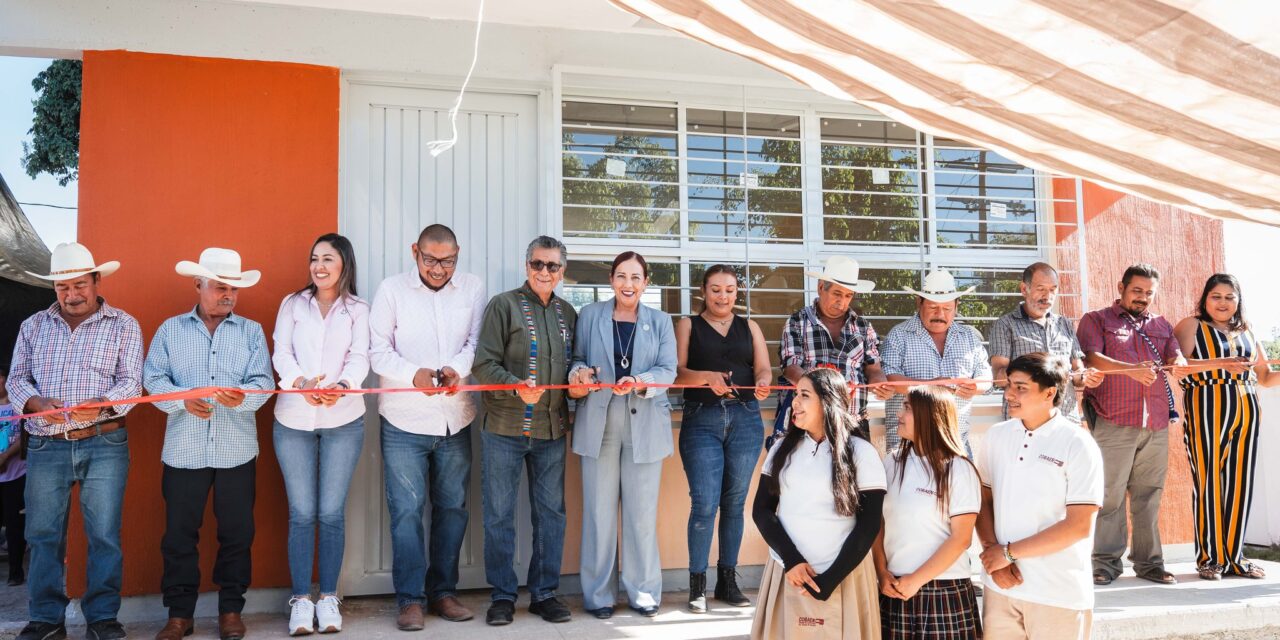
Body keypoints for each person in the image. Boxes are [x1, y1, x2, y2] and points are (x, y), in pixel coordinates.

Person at [7, 242, 143, 640]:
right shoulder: (32, 326)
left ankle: (102, 619)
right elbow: (16, 379)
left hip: (105, 442)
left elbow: (132, 382)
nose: (72, 294)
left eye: (79, 284)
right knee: (42, 535)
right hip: (47, 445)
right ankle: (47, 621)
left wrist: (101, 405)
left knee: (104, 535)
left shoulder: (123, 324)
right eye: (62, 287)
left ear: (96, 281)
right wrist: (35, 402)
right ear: (54, 289)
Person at [144, 247, 273, 640]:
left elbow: (263, 382)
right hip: (184, 449)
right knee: (179, 536)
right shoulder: (170, 329)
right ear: (198, 284)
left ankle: (231, 611)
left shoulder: (251, 331)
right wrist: (181, 399)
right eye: (220, 287)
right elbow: (153, 379)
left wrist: (244, 398)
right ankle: (179, 616)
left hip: (236, 448)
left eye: (233, 288)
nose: (228, 294)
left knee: (238, 533)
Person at [368, 224, 485, 630]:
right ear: (414, 251)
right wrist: (411, 374)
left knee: (452, 511)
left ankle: (443, 593)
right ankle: (410, 600)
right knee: (406, 513)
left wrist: (458, 368)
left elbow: (475, 342)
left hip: (456, 416)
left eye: (448, 261)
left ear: (458, 255)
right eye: (431, 259)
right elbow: (378, 351)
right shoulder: (391, 290)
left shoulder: (472, 288)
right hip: (403, 420)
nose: (439, 269)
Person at [472, 236, 578, 626]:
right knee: (498, 514)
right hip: (503, 427)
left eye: (552, 266)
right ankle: (501, 596)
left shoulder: (569, 313)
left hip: (552, 430)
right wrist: (515, 384)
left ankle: (544, 593)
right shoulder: (503, 305)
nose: (544, 272)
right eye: (537, 264)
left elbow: (575, 366)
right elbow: (482, 365)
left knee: (551, 515)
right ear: (526, 266)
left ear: (563, 271)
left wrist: (581, 377)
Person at [568, 251, 677, 619]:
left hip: (644, 423)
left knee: (641, 514)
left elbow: (668, 369)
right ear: (611, 280)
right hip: (599, 422)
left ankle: (643, 592)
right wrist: (581, 374)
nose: (627, 284)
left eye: (635, 277)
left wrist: (639, 382)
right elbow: (577, 360)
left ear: (646, 282)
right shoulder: (590, 315)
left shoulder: (661, 322)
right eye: (620, 276)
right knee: (598, 514)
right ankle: (599, 596)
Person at [271, 234, 370, 635]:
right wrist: (300, 383)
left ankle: (328, 597)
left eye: (328, 259)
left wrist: (343, 386)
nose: (319, 266)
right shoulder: (292, 304)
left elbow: (360, 355)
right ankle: (300, 600)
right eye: (314, 259)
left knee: (330, 513)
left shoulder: (359, 309)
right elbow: (281, 352)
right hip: (293, 418)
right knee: (301, 513)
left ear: (344, 263)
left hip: (343, 419)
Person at [750, 368, 886, 639]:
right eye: (794, 395)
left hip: (845, 577)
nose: (794, 403)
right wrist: (792, 561)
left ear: (827, 401)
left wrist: (830, 580)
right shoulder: (781, 449)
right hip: (788, 574)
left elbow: (869, 524)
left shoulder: (861, 452)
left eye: (803, 395)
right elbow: (762, 511)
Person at [977, 353, 1104, 640]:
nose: (1009, 393)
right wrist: (993, 557)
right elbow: (983, 501)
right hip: (1001, 588)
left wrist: (1008, 553)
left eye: (1021, 387)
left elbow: (1079, 526)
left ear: (1050, 393)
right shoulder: (996, 435)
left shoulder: (1078, 443)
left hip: (1058, 593)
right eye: (1008, 384)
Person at [1078, 263, 1189, 587]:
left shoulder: (1161, 324)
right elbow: (1092, 357)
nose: (1142, 297)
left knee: (1149, 496)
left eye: (1149, 293)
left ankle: (1149, 564)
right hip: (1114, 421)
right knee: (1109, 496)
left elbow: (1174, 356)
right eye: (1137, 290)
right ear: (1121, 287)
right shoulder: (1097, 319)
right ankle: (1106, 565)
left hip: (1155, 424)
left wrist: (1179, 362)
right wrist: (1130, 369)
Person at [674, 265, 772, 613]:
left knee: (734, 502)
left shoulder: (751, 326)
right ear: (704, 291)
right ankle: (697, 584)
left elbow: (763, 368)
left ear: (737, 292)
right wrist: (705, 378)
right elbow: (676, 374)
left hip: (746, 418)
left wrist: (761, 383)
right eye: (716, 289)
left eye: (729, 289)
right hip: (702, 420)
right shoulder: (688, 325)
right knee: (704, 504)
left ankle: (727, 581)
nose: (723, 296)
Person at [1174, 273, 1280, 580]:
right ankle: (1210, 558)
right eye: (1216, 296)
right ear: (1205, 299)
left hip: (1246, 408)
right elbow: (1177, 366)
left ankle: (1235, 557)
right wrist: (1221, 364)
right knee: (1209, 480)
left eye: (1229, 297)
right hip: (1206, 404)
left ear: (1238, 301)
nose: (1223, 303)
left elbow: (1265, 377)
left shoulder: (1247, 330)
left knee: (1240, 482)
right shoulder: (1191, 325)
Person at [874, 385, 981, 640]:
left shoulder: (958, 468)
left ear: (930, 415)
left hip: (943, 590)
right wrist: (881, 572)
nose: (899, 413)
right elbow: (877, 524)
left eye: (907, 408)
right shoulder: (891, 462)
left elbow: (961, 539)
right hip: (894, 588)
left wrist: (916, 580)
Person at [776, 256, 894, 443]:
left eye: (848, 296)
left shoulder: (863, 327)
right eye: (837, 294)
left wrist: (881, 384)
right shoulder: (797, 322)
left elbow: (874, 369)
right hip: (807, 421)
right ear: (821, 287)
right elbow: (791, 368)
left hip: (853, 421)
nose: (842, 302)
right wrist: (823, 390)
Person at [881, 269, 992, 453]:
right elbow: (891, 381)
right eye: (933, 307)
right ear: (919, 302)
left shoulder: (969, 338)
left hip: (955, 442)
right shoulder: (899, 336)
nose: (940, 314)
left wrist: (975, 386)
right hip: (907, 445)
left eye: (947, 308)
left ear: (956, 306)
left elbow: (986, 377)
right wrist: (931, 386)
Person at [990, 262, 1103, 422]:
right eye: (1041, 288)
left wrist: (1087, 377)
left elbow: (1078, 372)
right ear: (1024, 289)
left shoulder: (1065, 324)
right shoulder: (1006, 325)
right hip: (1024, 419)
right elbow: (999, 377)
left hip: (1065, 418)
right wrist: (1035, 375)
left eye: (1052, 289)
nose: (1047, 296)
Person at [0, 362, 26, 588]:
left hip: (16, 474)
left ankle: (15, 572)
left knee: (14, 524)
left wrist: (5, 456)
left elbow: (25, 435)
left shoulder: (19, 407)